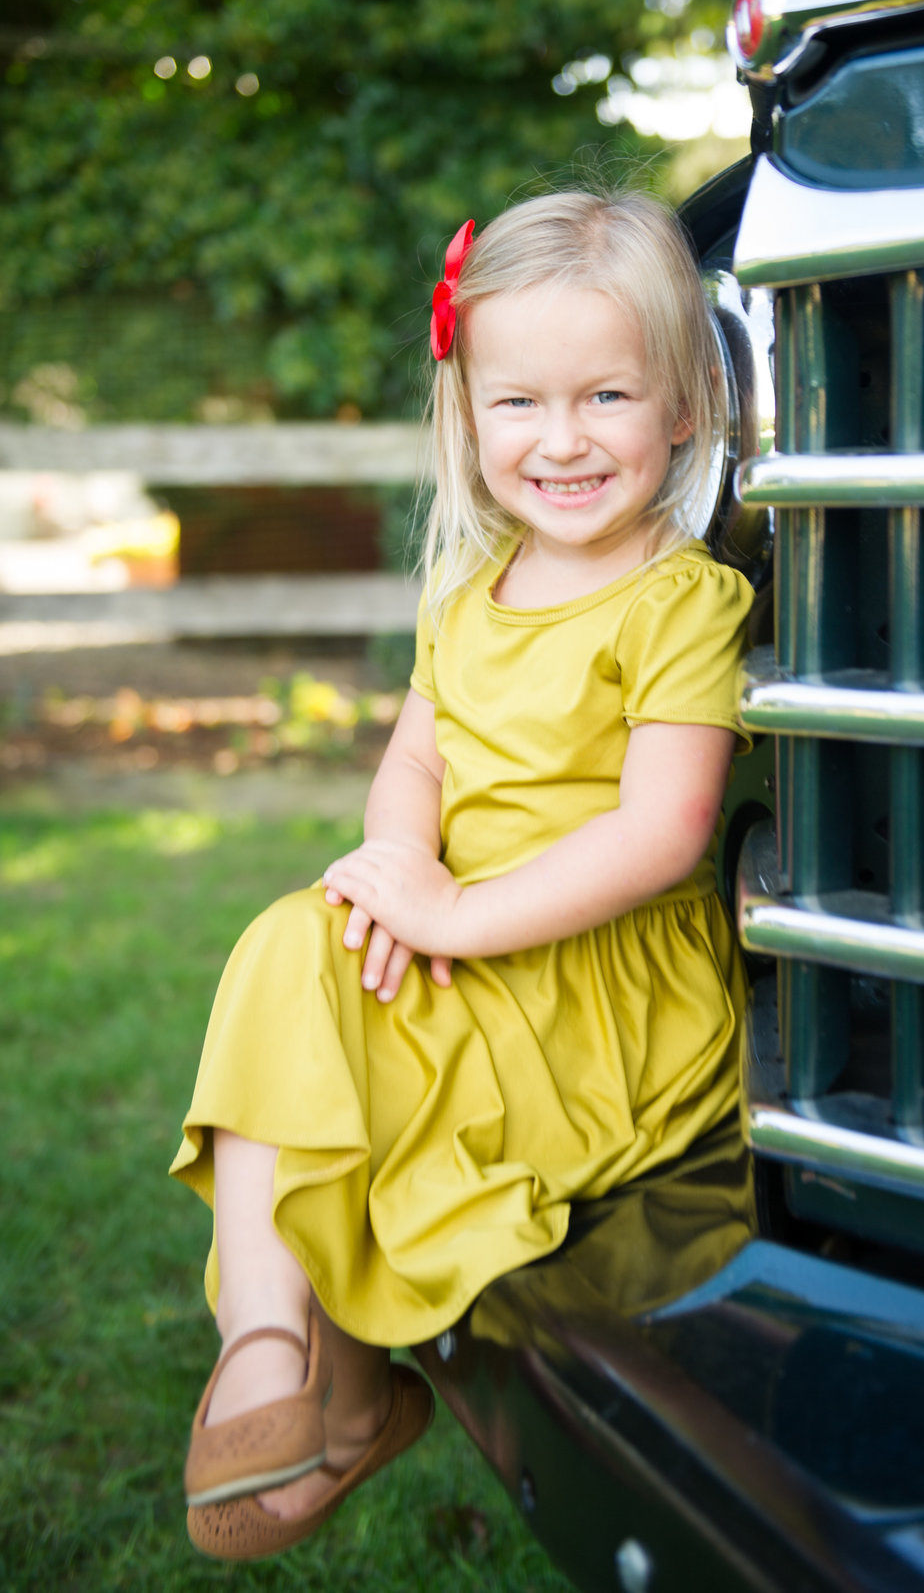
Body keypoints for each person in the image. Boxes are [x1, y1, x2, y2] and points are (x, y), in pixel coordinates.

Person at [170, 188, 755, 1561]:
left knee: (392, 1100)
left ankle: (353, 1387)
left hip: (598, 983)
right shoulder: (467, 598)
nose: (561, 441)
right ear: (468, 410)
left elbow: (660, 834)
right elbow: (414, 770)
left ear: (682, 409)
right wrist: (397, 872)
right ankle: (265, 1340)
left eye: (607, 395)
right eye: (520, 403)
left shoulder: (681, 603)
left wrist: (454, 914)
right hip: (466, 928)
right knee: (284, 946)